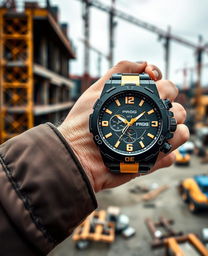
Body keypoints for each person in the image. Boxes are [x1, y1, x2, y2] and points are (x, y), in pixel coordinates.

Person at [0, 61, 189, 255]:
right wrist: (76, 151)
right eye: (126, 121)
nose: (130, 122)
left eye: (133, 121)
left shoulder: (158, 126)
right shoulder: (101, 125)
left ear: (167, 123)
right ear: (95, 123)